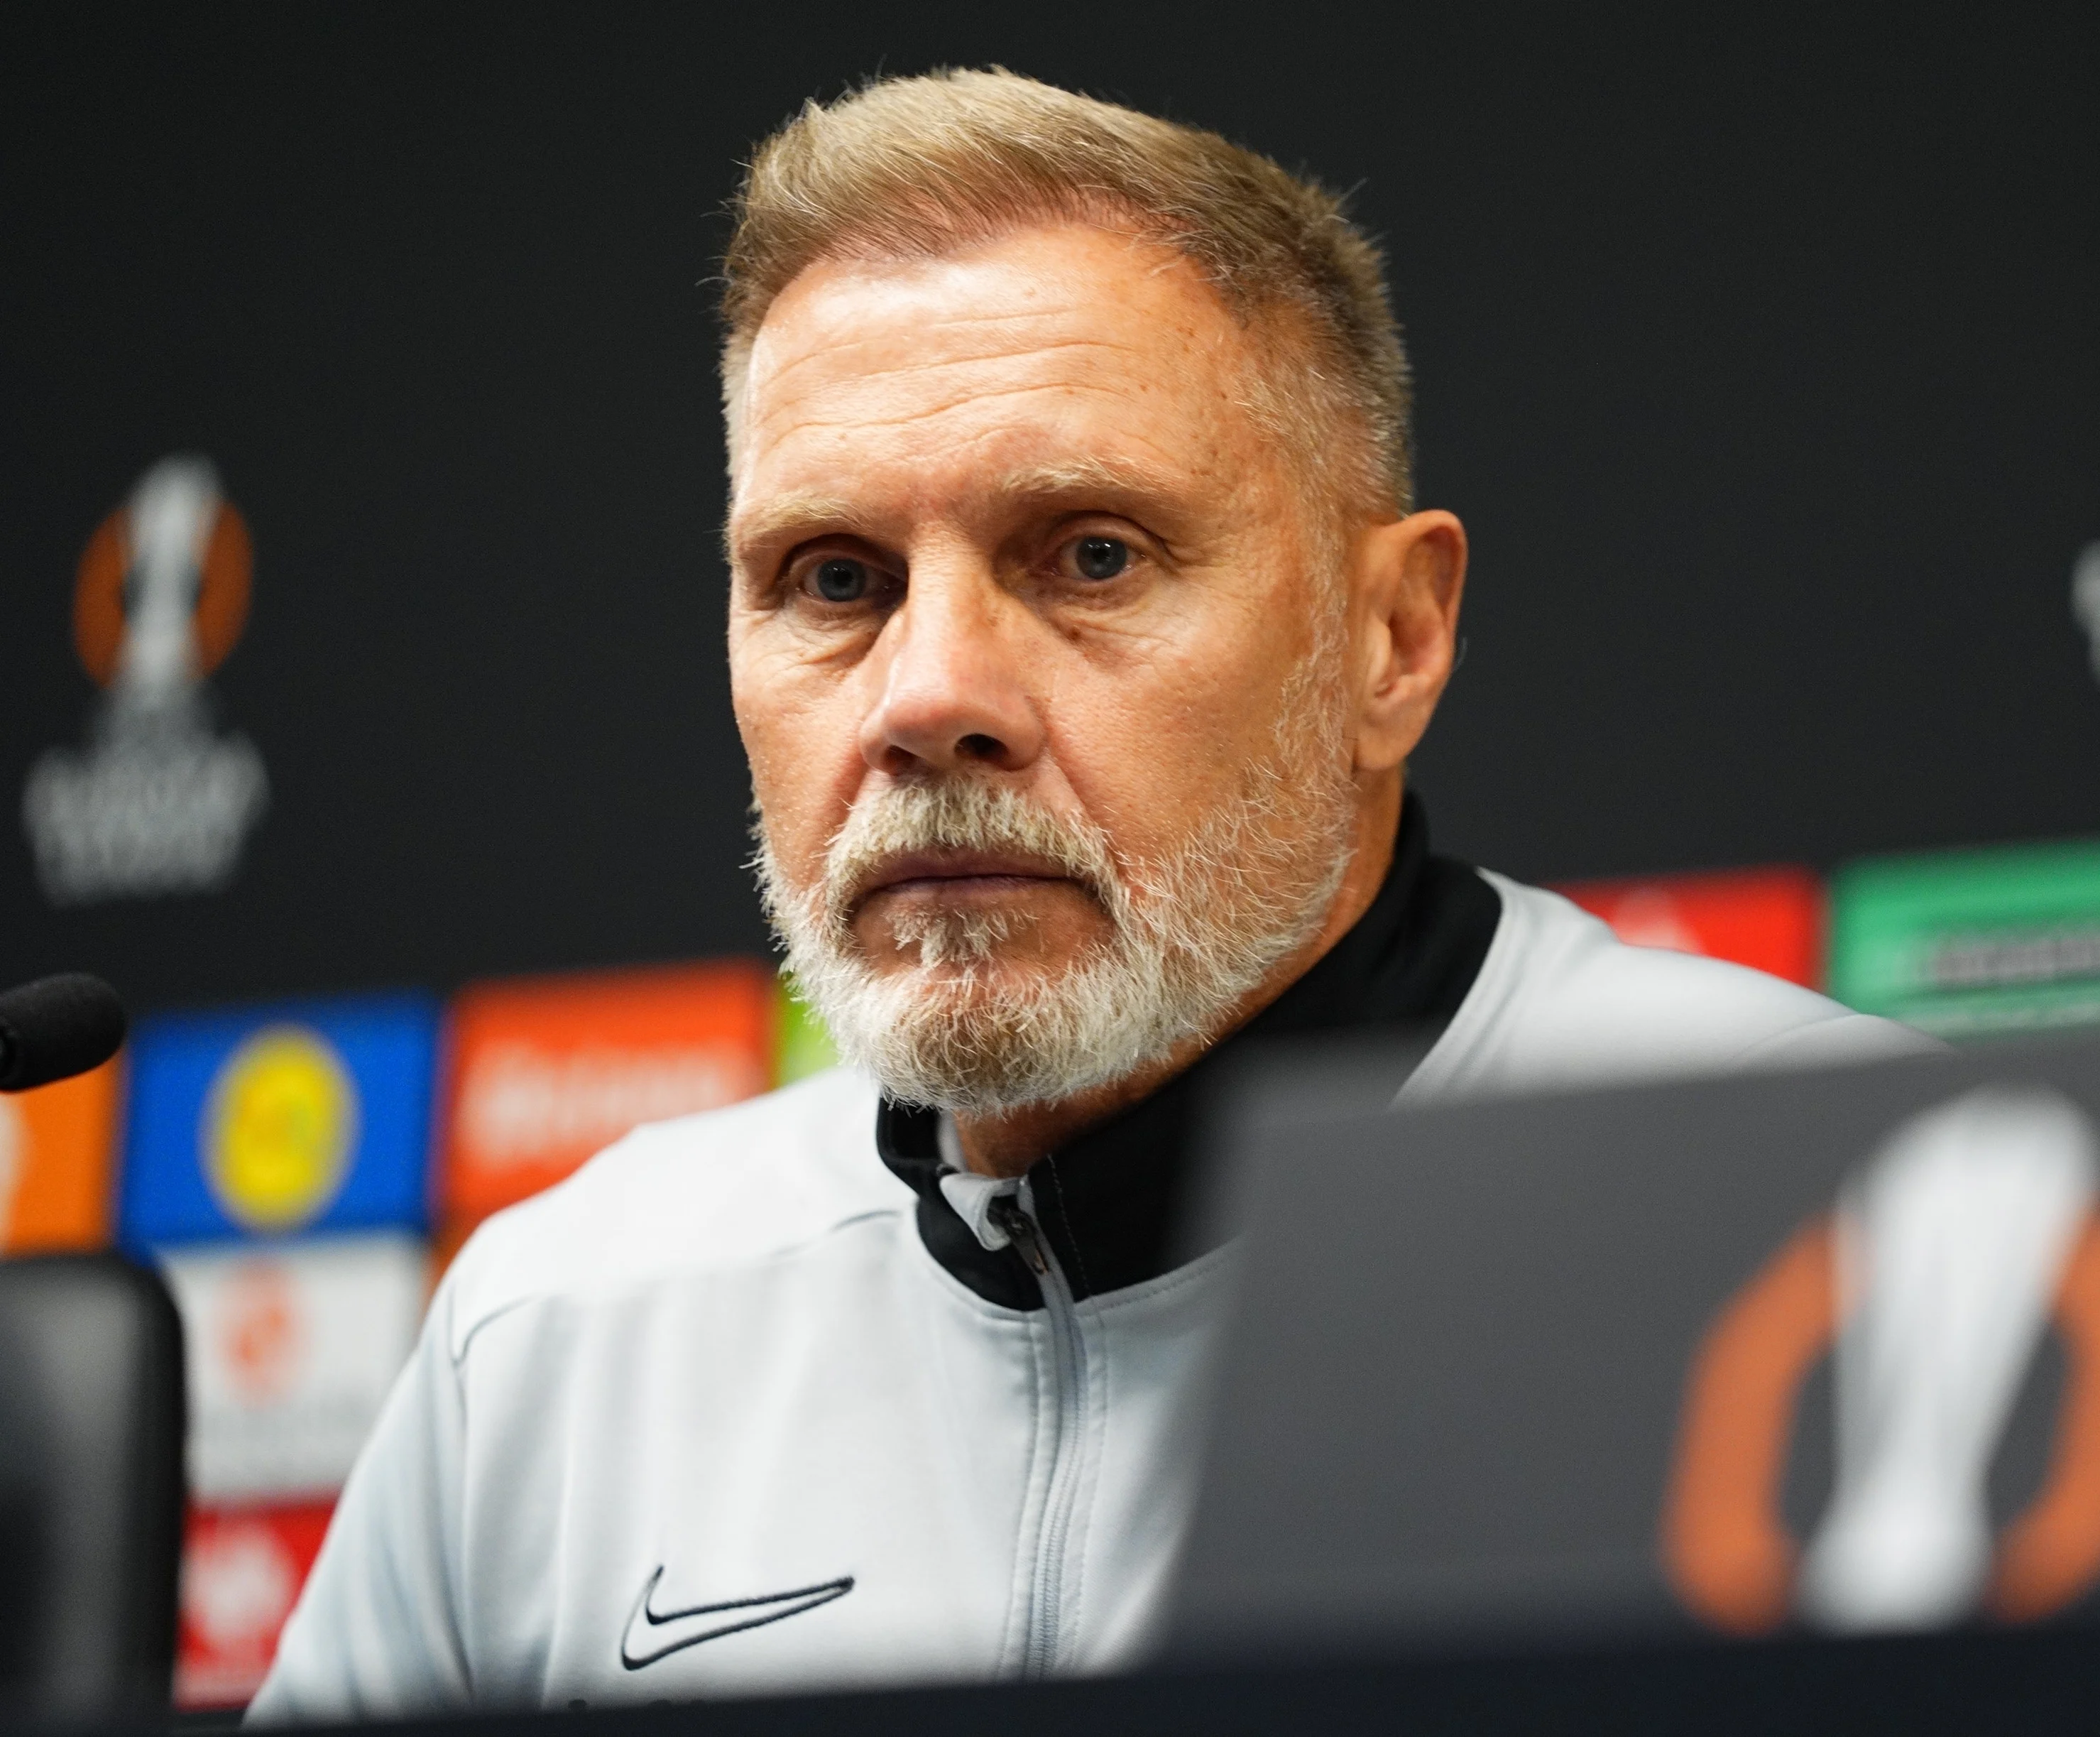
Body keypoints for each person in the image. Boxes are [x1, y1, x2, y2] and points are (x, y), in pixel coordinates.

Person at [251, 69, 1927, 1720]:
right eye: (832, 580)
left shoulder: (1853, 1216)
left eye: (1091, 553)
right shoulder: (562, 1326)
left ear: (1391, 639)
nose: (925, 696)